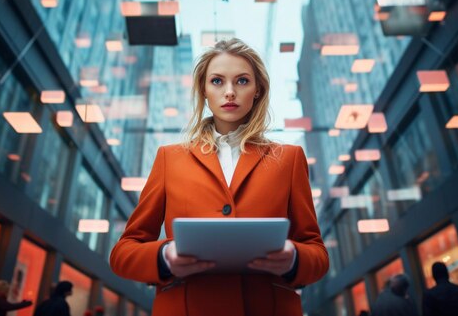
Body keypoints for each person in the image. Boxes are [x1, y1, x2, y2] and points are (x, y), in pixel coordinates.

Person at [110, 38, 329, 316]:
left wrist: (293, 259)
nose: (229, 92)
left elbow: (318, 255)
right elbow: (123, 253)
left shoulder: (289, 158)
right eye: (217, 81)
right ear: (203, 90)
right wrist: (165, 258)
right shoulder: (169, 158)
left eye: (241, 81)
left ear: (258, 90)